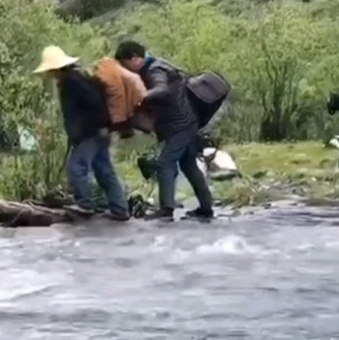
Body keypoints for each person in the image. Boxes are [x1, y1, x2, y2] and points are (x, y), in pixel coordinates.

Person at [114, 40, 213, 221]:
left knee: (165, 163)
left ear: (136, 58)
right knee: (189, 166)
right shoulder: (157, 67)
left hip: (180, 126)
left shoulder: (155, 70)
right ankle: (206, 209)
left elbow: (162, 91)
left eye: (125, 64)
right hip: (186, 123)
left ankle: (166, 209)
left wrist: (139, 98)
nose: (125, 69)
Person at [33, 45, 130, 221]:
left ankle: (85, 206)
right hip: (97, 131)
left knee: (77, 168)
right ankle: (120, 209)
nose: (48, 74)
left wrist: (97, 126)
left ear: (55, 68)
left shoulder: (73, 81)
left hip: (91, 132)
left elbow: (94, 103)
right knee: (104, 170)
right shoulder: (74, 79)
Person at [92, 56, 148, 138]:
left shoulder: (107, 73)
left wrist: (119, 122)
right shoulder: (113, 69)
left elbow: (116, 94)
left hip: (131, 111)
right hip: (135, 108)